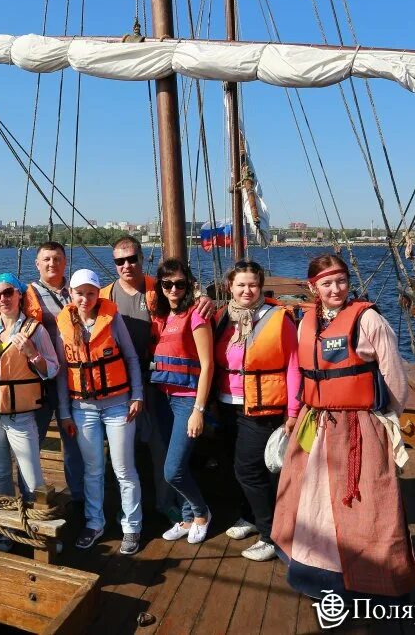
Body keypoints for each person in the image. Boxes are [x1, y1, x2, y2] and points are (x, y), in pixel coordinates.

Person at [272, 255, 415, 598]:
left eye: (340, 281)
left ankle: (364, 576)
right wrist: (296, 412)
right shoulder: (306, 322)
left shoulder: (369, 320)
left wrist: (388, 418)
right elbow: (301, 370)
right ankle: (316, 573)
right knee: (310, 498)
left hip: (357, 424)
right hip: (316, 421)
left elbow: (393, 376)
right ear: (313, 287)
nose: (335, 289)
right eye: (326, 283)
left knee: (361, 500)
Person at [100, 236, 213, 524]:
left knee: (160, 445)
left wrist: (204, 299)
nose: (127, 265)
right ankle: (125, 505)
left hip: (159, 382)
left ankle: (168, 504)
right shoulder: (104, 296)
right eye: (120, 261)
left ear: (141, 258)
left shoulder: (159, 289)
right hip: (118, 383)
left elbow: (184, 301)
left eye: (132, 258)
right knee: (122, 447)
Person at [214, 260, 300, 562]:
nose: (247, 290)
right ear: (230, 288)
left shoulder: (278, 318)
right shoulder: (223, 317)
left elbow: (293, 364)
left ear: (260, 286)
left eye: (252, 285)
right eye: (241, 285)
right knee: (235, 466)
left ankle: (270, 535)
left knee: (249, 470)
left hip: (262, 407)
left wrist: (293, 411)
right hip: (227, 403)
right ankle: (249, 516)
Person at [55, 269, 143, 555]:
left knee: (123, 469)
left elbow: (130, 358)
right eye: (80, 293)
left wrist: (137, 395)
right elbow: (62, 373)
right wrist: (65, 412)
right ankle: (95, 523)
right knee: (92, 470)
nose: (85, 298)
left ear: (98, 294)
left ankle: (131, 526)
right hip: (83, 409)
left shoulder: (112, 318)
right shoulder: (63, 324)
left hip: (118, 404)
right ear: (71, 293)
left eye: (91, 292)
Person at [0, 273, 60, 552]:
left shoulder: (36, 330)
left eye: (8, 292)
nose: (3, 299)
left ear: (19, 294)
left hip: (20, 416)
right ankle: (7, 530)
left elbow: (53, 369)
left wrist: (33, 353)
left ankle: (39, 533)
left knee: (31, 476)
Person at [150, 259, 215, 545]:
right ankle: (187, 518)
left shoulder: (196, 315)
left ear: (188, 285)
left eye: (179, 283)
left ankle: (202, 512)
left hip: (186, 400)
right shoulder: (163, 317)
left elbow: (208, 364)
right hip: (163, 398)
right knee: (176, 464)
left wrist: (198, 410)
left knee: (172, 469)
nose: (173, 288)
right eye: (167, 284)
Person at [22, 241, 85, 506]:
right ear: (37, 264)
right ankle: (28, 501)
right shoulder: (26, 295)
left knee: (73, 442)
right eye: (46, 259)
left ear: (65, 262)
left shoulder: (78, 293)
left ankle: (80, 498)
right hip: (40, 380)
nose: (52, 264)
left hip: (73, 379)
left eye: (57, 258)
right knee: (30, 443)